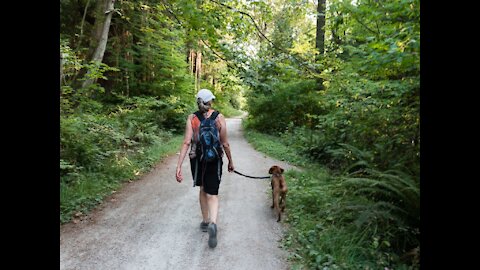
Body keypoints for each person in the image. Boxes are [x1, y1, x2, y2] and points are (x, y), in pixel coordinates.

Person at [175, 88, 234, 248]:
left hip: (198, 159)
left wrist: (179, 165)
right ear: (211, 101)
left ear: (198, 101)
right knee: (212, 193)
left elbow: (187, 142)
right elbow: (225, 143)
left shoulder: (192, 118)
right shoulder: (219, 117)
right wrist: (230, 161)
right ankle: (213, 223)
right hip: (214, 159)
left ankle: (205, 220)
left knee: (202, 189)